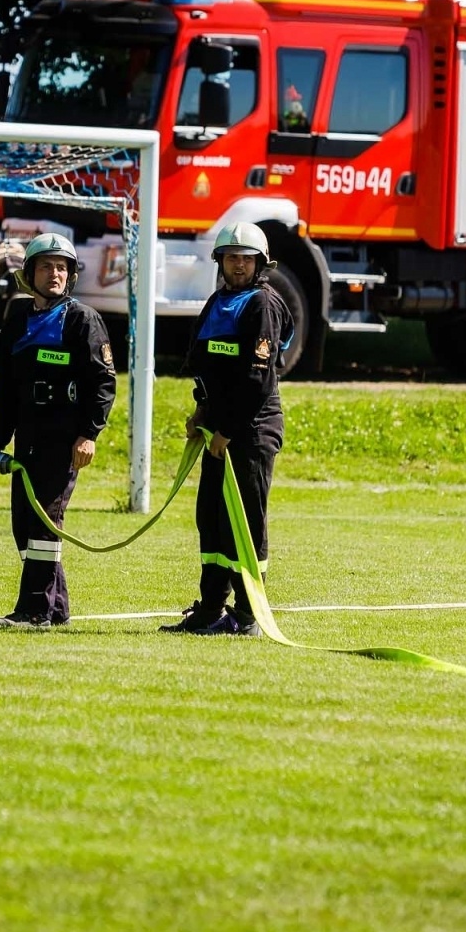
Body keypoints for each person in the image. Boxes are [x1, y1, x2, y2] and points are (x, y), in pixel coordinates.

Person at [162, 222, 295, 638]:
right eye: (232, 257)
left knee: (245, 521)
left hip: (250, 430)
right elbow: (205, 365)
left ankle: (248, 615)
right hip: (219, 429)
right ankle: (211, 610)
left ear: (260, 263)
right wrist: (201, 413)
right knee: (213, 519)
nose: (239, 265)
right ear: (220, 261)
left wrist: (228, 431)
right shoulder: (217, 302)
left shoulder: (262, 304)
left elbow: (257, 380)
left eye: (246, 259)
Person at [0, 233, 116, 628]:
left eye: (61, 268)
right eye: (46, 266)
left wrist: (89, 434)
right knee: (24, 525)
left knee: (44, 522)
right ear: (30, 274)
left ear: (70, 275)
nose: (54, 274)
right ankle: (55, 610)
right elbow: (5, 390)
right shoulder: (17, 319)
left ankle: (34, 610)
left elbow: (103, 383)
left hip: (63, 440)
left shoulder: (83, 320)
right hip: (28, 438)